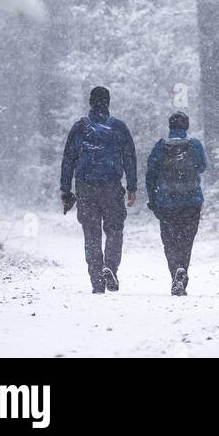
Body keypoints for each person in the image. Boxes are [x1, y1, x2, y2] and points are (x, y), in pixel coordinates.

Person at [60, 86, 137, 293]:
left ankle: (96, 280)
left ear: (91, 102)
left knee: (91, 234)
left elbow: (68, 159)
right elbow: (129, 156)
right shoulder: (118, 127)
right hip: (112, 187)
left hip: (86, 188)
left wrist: (65, 189)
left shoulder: (80, 127)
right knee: (114, 230)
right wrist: (132, 186)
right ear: (108, 102)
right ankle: (110, 267)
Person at [145, 110, 207, 296]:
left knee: (170, 241)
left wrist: (153, 199)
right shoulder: (194, 145)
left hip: (166, 202)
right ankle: (182, 271)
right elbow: (202, 167)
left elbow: (150, 175)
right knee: (186, 241)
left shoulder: (160, 146)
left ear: (170, 126)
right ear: (186, 126)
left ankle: (176, 273)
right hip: (191, 201)